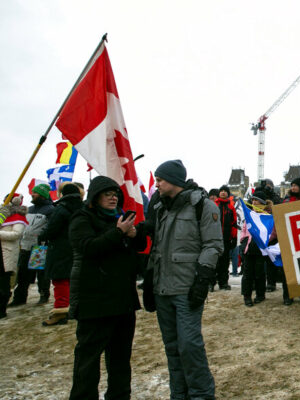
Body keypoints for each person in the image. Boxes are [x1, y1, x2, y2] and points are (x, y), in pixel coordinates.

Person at [147, 160, 223, 398]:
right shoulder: (159, 207)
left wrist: (201, 282)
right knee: (172, 348)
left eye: (160, 179)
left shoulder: (203, 206)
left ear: (174, 181)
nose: (156, 184)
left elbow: (213, 245)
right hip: (162, 289)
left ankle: (201, 394)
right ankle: (178, 394)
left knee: (189, 346)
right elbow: (156, 247)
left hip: (187, 289)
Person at [68, 176, 143, 399]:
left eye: (115, 194)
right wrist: (118, 233)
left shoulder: (121, 218)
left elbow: (137, 248)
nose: (113, 197)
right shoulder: (82, 218)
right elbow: (88, 247)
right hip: (95, 300)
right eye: (107, 194)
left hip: (122, 300)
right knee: (88, 360)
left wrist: (134, 234)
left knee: (120, 358)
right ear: (94, 197)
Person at [40, 183, 83, 326]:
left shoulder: (61, 208)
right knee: (72, 280)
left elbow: (52, 230)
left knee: (59, 280)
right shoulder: (82, 207)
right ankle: (73, 308)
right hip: (76, 248)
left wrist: (41, 235)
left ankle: (60, 312)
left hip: (59, 249)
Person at [11, 184, 54, 306]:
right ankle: (19, 298)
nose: (32, 194)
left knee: (41, 274)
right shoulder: (29, 209)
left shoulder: (50, 209)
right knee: (23, 274)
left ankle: (43, 295)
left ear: (42, 194)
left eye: (34, 193)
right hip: (25, 246)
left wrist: (42, 237)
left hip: (39, 247)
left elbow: (51, 227)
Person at [280, 178, 300, 305]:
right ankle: (288, 295)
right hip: (289, 238)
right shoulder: (286, 201)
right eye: (292, 185)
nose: (293, 188)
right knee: (288, 269)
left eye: (295, 185)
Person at [240, 191, 270, 306]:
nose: (253, 202)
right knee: (247, 274)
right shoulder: (249, 214)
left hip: (260, 249)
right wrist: (243, 241)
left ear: (261, 202)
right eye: (252, 200)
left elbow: (270, 232)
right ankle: (247, 296)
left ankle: (260, 294)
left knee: (260, 273)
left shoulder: (266, 216)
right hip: (248, 247)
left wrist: (265, 242)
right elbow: (244, 229)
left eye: (256, 200)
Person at [0, 194, 28, 319]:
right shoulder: (2, 215)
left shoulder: (19, 217)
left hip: (7, 252)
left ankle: (1, 309)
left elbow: (16, 234)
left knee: (3, 283)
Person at [213, 185, 237, 291]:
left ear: (228, 193)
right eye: (221, 191)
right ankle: (211, 283)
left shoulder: (231, 207)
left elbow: (234, 223)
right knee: (213, 262)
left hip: (226, 239)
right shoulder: (214, 205)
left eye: (225, 191)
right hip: (214, 239)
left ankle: (223, 283)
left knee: (225, 262)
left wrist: (234, 237)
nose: (223, 192)